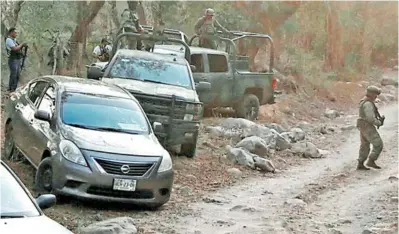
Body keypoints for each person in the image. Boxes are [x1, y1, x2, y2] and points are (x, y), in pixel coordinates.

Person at [356, 85, 385, 170]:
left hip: (362, 125)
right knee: (378, 144)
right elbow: (370, 118)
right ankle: (371, 161)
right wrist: (378, 123)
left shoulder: (365, 101)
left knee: (365, 145)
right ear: (372, 94)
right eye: (375, 94)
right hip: (366, 125)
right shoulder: (368, 103)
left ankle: (361, 163)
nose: (376, 96)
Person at [5, 27, 27, 92]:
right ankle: (10, 88)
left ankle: (14, 88)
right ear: (11, 33)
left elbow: (18, 48)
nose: (16, 34)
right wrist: (22, 44)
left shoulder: (14, 40)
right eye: (15, 32)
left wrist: (23, 46)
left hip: (17, 59)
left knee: (17, 74)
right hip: (12, 60)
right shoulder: (8, 40)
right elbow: (15, 49)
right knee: (14, 74)